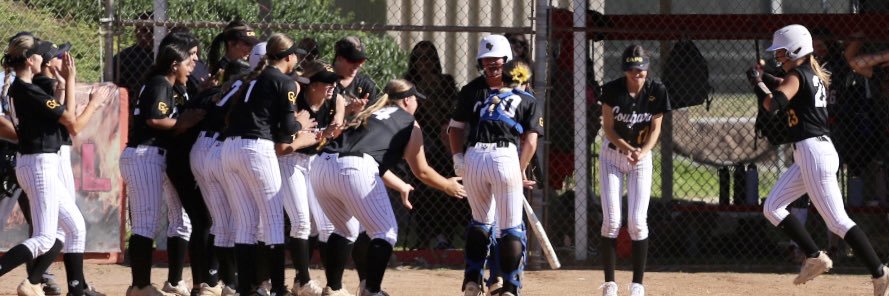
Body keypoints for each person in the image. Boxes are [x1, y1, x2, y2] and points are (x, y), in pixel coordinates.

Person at [749, 24, 889, 295]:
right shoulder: (809, 73)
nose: (778, 57)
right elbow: (784, 84)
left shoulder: (798, 75)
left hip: (813, 153)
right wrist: (762, 75)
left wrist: (757, 83)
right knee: (773, 207)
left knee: (838, 221)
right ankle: (814, 256)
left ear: (795, 50)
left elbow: (772, 105)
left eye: (781, 52)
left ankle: (879, 272)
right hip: (811, 153)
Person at [309, 79, 465, 296]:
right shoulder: (410, 123)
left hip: (321, 166)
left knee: (345, 230)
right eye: (415, 100)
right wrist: (447, 185)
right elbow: (422, 171)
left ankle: (333, 289)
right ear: (408, 100)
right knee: (385, 232)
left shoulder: (368, 114)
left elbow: (363, 157)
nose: (417, 105)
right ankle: (372, 291)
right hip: (354, 168)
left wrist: (400, 185)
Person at [0, 35, 96, 296]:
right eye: (39, 56)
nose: (44, 60)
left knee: (75, 226)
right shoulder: (25, 88)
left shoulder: (23, 88)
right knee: (45, 237)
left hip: (40, 162)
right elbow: (69, 119)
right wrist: (74, 83)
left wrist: (63, 85)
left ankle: (76, 290)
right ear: (31, 61)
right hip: (38, 163)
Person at [449, 34, 544, 296]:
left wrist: (460, 159)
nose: (491, 66)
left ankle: (476, 280)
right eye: (486, 62)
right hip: (501, 157)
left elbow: (455, 129)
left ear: (507, 62)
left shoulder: (481, 91)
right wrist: (520, 168)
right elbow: (531, 143)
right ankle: (509, 287)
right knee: (510, 227)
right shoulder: (522, 96)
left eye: (496, 62)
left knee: (481, 223)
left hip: (477, 159)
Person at [220, 33, 314, 296]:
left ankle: (246, 288)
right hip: (255, 150)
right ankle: (278, 289)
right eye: (295, 55)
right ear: (288, 57)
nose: (297, 59)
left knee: (246, 223)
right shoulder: (283, 81)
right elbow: (287, 127)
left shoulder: (253, 78)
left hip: (229, 150)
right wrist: (301, 126)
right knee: (273, 221)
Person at [119, 41, 204, 296]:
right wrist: (183, 122)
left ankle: (143, 285)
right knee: (145, 224)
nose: (191, 67)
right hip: (145, 154)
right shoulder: (160, 83)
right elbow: (155, 119)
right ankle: (141, 286)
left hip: (150, 156)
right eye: (187, 63)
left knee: (155, 222)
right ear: (174, 64)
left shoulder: (165, 84)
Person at [597, 44, 670, 296]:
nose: (636, 74)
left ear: (647, 70)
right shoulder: (612, 90)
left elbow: (656, 129)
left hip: (641, 157)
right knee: (612, 221)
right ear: (625, 70)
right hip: (612, 156)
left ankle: (637, 284)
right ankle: (610, 283)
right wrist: (627, 147)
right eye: (631, 70)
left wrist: (643, 150)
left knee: (637, 222)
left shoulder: (657, 91)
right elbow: (608, 128)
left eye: (640, 70)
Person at [156, 30, 221, 296]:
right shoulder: (165, 84)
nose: (195, 63)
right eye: (190, 56)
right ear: (176, 59)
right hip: (177, 158)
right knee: (197, 220)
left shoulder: (182, 85)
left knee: (186, 221)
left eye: (196, 54)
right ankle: (199, 283)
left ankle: (179, 281)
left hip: (179, 157)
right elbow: (160, 120)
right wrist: (187, 117)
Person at [276, 60, 344, 296]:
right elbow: (291, 138)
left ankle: (318, 282)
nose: (332, 86)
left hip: (314, 162)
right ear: (312, 84)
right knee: (301, 221)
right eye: (327, 82)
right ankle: (304, 281)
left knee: (322, 224)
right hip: (290, 161)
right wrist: (315, 136)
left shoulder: (334, 100)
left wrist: (334, 128)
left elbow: (337, 121)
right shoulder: (296, 101)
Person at [403, 40, 463, 250]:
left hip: (443, 140)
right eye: (419, 57)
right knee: (422, 184)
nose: (424, 62)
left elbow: (452, 114)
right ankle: (426, 235)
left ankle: (444, 234)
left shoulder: (445, 82)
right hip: (419, 138)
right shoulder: (409, 83)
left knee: (448, 175)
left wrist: (433, 96)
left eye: (429, 57)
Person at [113, 12, 155, 98]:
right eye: (144, 30)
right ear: (136, 31)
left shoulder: (166, 55)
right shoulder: (123, 58)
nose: (149, 35)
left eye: (152, 31)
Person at [333, 36, 378, 111]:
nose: (358, 65)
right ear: (339, 58)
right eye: (353, 60)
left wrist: (362, 113)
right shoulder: (324, 81)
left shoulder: (366, 85)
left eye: (361, 61)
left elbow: (372, 118)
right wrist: (347, 110)